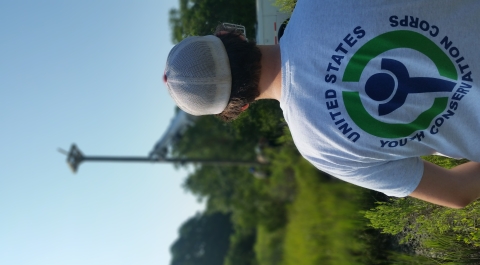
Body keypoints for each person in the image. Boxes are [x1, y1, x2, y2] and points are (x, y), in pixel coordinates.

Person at [163, 0, 480, 209]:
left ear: (238, 108)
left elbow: (457, 191)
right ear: (231, 35)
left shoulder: (319, 148)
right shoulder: (319, 5)